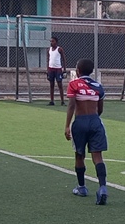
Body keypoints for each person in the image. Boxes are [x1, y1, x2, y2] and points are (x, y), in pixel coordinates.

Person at [64, 57, 108, 204]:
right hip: (95, 122)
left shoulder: (73, 84)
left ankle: (81, 187)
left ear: (77, 71)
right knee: (98, 156)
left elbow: (71, 105)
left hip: (80, 122)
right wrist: (93, 119)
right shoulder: (98, 86)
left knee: (79, 155)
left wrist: (67, 126)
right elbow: (100, 109)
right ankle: (102, 187)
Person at [46, 37, 65, 105]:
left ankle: (62, 101)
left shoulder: (59, 49)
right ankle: (52, 101)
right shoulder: (49, 50)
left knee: (60, 84)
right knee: (51, 84)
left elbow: (63, 59)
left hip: (58, 69)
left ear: (56, 42)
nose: (51, 43)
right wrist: (47, 69)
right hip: (51, 69)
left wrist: (64, 69)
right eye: (51, 41)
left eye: (53, 41)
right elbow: (48, 60)